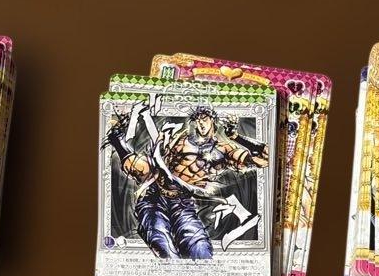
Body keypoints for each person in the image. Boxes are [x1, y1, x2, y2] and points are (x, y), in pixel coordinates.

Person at [105, 103, 267, 259]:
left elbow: (264, 158)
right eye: (198, 119)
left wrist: (236, 137)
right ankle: (117, 140)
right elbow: (155, 163)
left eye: (205, 118)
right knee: (162, 246)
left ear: (212, 120)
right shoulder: (180, 140)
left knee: (200, 249)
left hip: (183, 204)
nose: (201, 123)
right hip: (154, 197)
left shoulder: (224, 149)